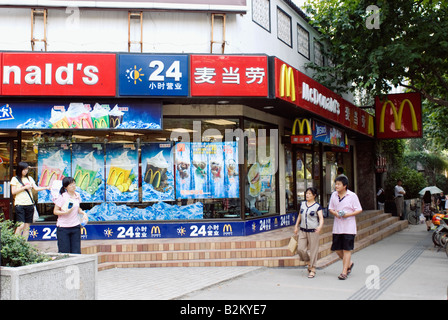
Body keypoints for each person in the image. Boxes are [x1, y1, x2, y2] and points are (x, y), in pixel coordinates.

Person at [328, 176, 362, 280]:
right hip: (337, 227)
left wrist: (348, 214)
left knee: (347, 249)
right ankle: (349, 263)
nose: (336, 186)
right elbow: (330, 208)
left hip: (349, 227)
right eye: (336, 184)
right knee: (337, 249)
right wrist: (335, 213)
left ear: (345, 186)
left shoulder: (352, 196)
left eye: (338, 184)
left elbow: (359, 209)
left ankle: (344, 272)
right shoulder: (334, 195)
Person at [10, 162, 49, 240]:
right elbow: (13, 192)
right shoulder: (15, 179)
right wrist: (24, 187)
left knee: (27, 226)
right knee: (21, 225)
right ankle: (15, 243)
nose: (26, 171)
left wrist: (47, 187)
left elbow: (36, 188)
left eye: (27, 169)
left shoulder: (29, 178)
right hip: (20, 204)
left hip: (30, 204)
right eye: (24, 169)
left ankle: (24, 244)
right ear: (20, 169)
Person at [294, 187, 324, 278]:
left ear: (314, 195)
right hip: (303, 230)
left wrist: (320, 226)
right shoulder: (302, 204)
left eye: (310, 194)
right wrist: (296, 226)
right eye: (307, 193)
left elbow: (321, 218)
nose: (307, 195)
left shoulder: (317, 206)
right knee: (300, 249)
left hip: (313, 231)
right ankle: (308, 263)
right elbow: (299, 215)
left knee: (313, 250)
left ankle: (313, 269)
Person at [53, 177, 88, 254]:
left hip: (75, 226)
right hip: (63, 228)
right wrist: (64, 213)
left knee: (76, 251)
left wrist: (83, 213)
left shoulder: (77, 195)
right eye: (70, 185)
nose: (73, 186)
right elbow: (55, 211)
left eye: (74, 184)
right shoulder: (62, 197)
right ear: (65, 187)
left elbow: (77, 208)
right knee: (64, 251)